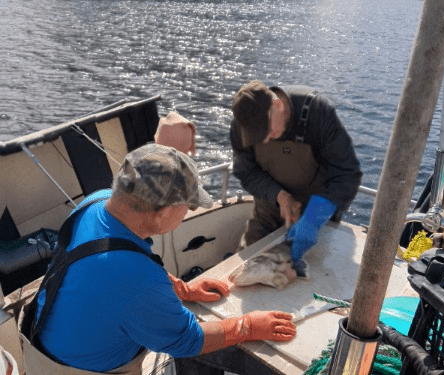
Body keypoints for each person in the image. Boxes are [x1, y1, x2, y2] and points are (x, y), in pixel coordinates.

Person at [19, 143, 296, 375]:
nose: (189, 211)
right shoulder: (135, 277)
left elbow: (123, 267)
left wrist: (183, 289)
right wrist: (247, 327)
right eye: (188, 206)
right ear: (162, 212)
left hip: (40, 346)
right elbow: (187, 341)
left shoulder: (97, 202)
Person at [230, 80, 362, 276]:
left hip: (317, 209)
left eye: (267, 130)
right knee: (244, 271)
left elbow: (346, 173)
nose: (265, 140)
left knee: (315, 275)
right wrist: (279, 195)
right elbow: (246, 171)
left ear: (278, 105)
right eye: (258, 136)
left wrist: (314, 217)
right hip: (269, 203)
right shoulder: (243, 123)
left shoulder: (317, 112)